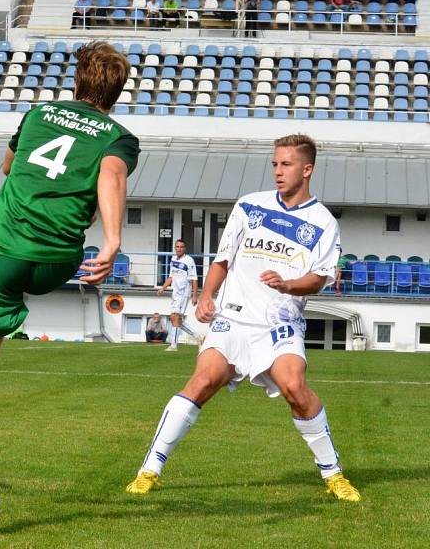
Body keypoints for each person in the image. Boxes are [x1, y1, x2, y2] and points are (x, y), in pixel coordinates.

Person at [0, 41, 140, 534]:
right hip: (58, 261)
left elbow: (7, 167)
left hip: (2, 256)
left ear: (78, 79)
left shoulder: (38, 114)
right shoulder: (121, 138)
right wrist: (111, 241)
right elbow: (109, 174)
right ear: (117, 91)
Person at [125, 134, 361, 504]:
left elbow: (319, 279)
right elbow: (223, 259)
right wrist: (206, 296)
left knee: (296, 390)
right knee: (202, 381)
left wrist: (288, 284)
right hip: (233, 317)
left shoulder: (323, 222)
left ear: (307, 169)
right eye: (275, 164)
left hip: (279, 322)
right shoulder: (250, 206)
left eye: (287, 164)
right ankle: (149, 470)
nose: (278, 171)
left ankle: (333, 474)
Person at [156, 239, 199, 352]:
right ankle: (198, 336)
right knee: (174, 318)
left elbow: (194, 279)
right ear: (175, 248)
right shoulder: (173, 259)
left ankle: (174, 345)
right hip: (175, 293)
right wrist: (163, 288)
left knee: (175, 316)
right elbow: (171, 277)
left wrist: (195, 295)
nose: (179, 249)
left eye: (181, 247)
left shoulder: (189, 260)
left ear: (184, 248)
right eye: (177, 247)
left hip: (184, 292)